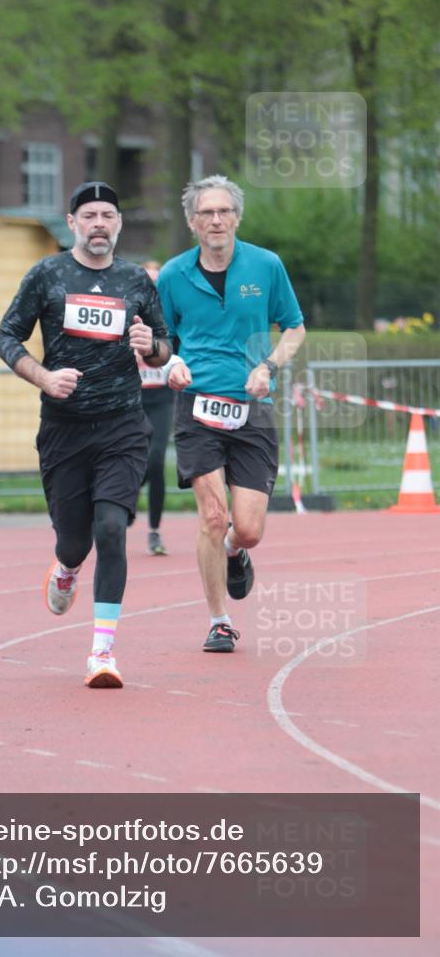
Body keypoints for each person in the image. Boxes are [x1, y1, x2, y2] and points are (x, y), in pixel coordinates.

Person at [0, 182, 171, 689]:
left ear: (118, 224)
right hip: (64, 431)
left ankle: (102, 653)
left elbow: (162, 343)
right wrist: (44, 377)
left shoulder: (135, 279)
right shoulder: (47, 274)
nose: (99, 223)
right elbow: (6, 336)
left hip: (122, 426)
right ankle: (67, 568)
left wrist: (152, 346)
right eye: (89, 215)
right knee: (74, 542)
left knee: (111, 529)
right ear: (72, 223)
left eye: (108, 215)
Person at [157, 175, 305, 654]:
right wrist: (170, 365)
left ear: (236, 217)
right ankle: (219, 620)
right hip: (197, 407)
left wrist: (268, 365)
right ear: (191, 221)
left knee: (247, 529)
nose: (215, 220)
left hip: (253, 407)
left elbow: (295, 329)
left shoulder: (266, 265)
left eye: (223, 211)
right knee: (213, 516)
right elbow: (161, 342)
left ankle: (236, 553)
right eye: (206, 213)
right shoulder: (173, 276)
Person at [136, 260, 178, 556]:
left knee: (156, 460)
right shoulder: (128, 314)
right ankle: (122, 500)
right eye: (148, 281)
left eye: (157, 281)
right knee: (133, 461)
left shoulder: (169, 316)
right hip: (133, 399)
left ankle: (153, 530)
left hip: (162, 397)